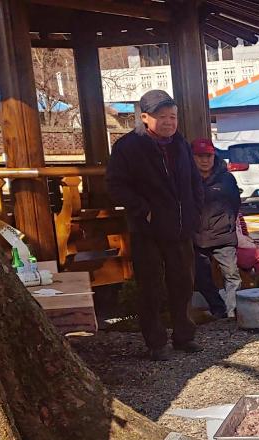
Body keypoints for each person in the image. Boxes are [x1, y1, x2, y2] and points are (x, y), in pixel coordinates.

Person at [106, 89, 203, 360]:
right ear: (145, 117)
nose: (169, 122)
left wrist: (196, 210)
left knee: (183, 284)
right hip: (147, 231)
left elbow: (195, 180)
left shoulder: (181, 144)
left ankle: (184, 336)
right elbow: (116, 185)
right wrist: (143, 210)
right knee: (150, 287)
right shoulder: (128, 147)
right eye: (163, 117)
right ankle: (155, 342)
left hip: (181, 226)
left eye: (173, 117)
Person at [191, 138, 242, 319]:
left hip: (223, 235)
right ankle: (218, 308)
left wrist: (228, 222)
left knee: (232, 275)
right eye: (199, 156)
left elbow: (235, 203)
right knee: (202, 279)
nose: (205, 160)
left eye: (208, 156)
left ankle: (233, 312)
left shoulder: (226, 178)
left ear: (214, 156)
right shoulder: (186, 178)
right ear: (193, 157)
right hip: (196, 236)